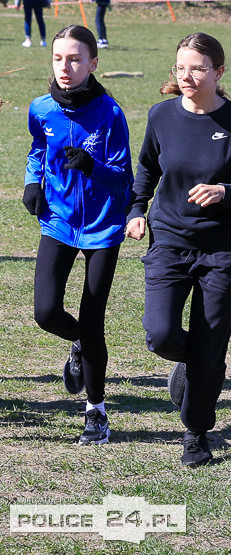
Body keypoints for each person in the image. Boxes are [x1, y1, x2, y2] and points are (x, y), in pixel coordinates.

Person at [126, 33, 231, 468]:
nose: (187, 76)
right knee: (160, 335)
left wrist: (226, 191)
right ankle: (196, 365)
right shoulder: (161, 117)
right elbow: (146, 170)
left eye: (198, 68)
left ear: (218, 72)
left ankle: (195, 432)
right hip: (169, 244)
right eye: (181, 68)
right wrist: (137, 210)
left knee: (212, 348)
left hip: (223, 253)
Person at [24, 24, 133, 445]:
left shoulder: (110, 112)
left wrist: (92, 166)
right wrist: (33, 182)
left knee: (93, 319)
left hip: (104, 227)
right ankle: (78, 345)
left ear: (92, 63)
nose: (65, 67)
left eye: (74, 59)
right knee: (45, 312)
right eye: (58, 59)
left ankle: (96, 412)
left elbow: (124, 180)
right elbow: (37, 150)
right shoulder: (41, 108)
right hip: (59, 221)